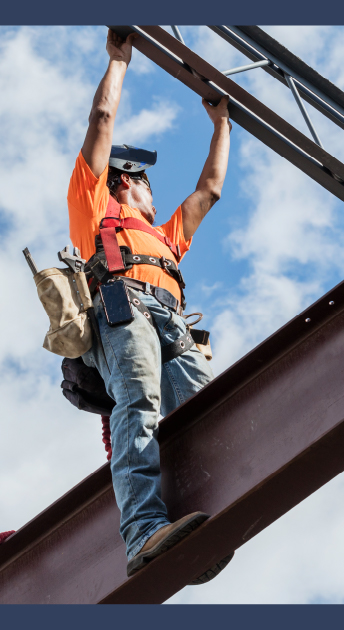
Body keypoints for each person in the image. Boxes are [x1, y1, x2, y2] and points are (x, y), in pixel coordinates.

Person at [67, 28, 233, 583]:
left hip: (171, 321)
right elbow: (102, 124)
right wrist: (118, 62)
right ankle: (144, 531)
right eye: (144, 183)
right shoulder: (93, 206)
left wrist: (222, 125)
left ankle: (216, 506)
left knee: (210, 410)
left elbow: (208, 191)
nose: (153, 193)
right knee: (137, 404)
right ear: (125, 182)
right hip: (123, 309)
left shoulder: (165, 237)